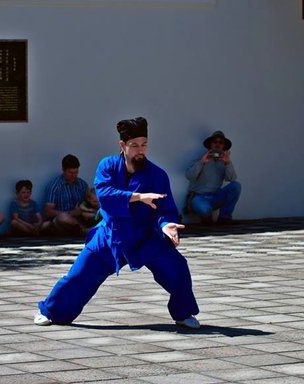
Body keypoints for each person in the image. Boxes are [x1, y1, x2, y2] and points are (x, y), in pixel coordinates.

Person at [34, 117, 200, 329]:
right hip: (111, 235)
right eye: (134, 145)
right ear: (122, 145)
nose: (140, 150)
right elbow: (104, 194)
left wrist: (166, 225)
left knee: (177, 268)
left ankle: (184, 314)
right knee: (79, 274)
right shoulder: (108, 166)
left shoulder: (157, 175)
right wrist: (138, 197)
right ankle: (51, 311)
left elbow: (165, 208)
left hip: (145, 236)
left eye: (144, 144)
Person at [185, 130, 241, 224]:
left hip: (216, 196)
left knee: (236, 186)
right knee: (204, 209)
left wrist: (228, 163)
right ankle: (207, 217)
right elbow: (189, 176)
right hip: (199, 197)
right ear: (210, 144)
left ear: (224, 146)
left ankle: (224, 218)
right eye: (215, 142)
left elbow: (232, 179)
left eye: (220, 142)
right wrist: (202, 162)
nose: (217, 144)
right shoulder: (201, 158)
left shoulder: (224, 161)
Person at [43, 154, 89, 236]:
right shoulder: (55, 186)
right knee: (63, 218)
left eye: (76, 172)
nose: (73, 175)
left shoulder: (82, 184)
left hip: (81, 218)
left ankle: (81, 230)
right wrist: (70, 213)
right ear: (63, 170)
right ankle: (82, 230)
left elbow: (89, 202)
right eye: (70, 172)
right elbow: (48, 211)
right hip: (63, 220)